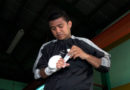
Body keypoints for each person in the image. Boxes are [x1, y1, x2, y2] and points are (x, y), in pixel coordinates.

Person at [33, 9, 111, 90]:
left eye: (60, 26)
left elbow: (106, 64)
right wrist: (50, 69)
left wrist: (86, 56)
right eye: (53, 28)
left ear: (69, 24)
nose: (57, 31)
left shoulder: (84, 42)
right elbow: (37, 75)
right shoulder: (46, 47)